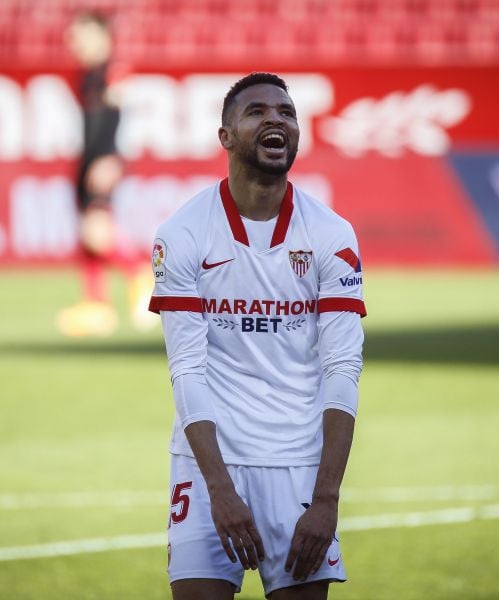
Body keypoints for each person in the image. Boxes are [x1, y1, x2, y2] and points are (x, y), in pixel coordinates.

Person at [149, 73, 366, 600]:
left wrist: (327, 498)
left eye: (287, 113)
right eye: (257, 112)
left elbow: (343, 369)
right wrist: (219, 489)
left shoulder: (332, 236)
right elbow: (187, 369)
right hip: (206, 468)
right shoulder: (181, 235)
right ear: (226, 137)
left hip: (298, 467)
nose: (276, 119)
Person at [57, 13, 156, 337]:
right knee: (88, 236)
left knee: (97, 233)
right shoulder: (86, 75)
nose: (75, 44)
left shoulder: (113, 72)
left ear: (102, 37)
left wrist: (108, 159)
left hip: (103, 159)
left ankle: (141, 274)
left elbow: (114, 119)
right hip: (89, 158)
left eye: (81, 36)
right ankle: (96, 306)